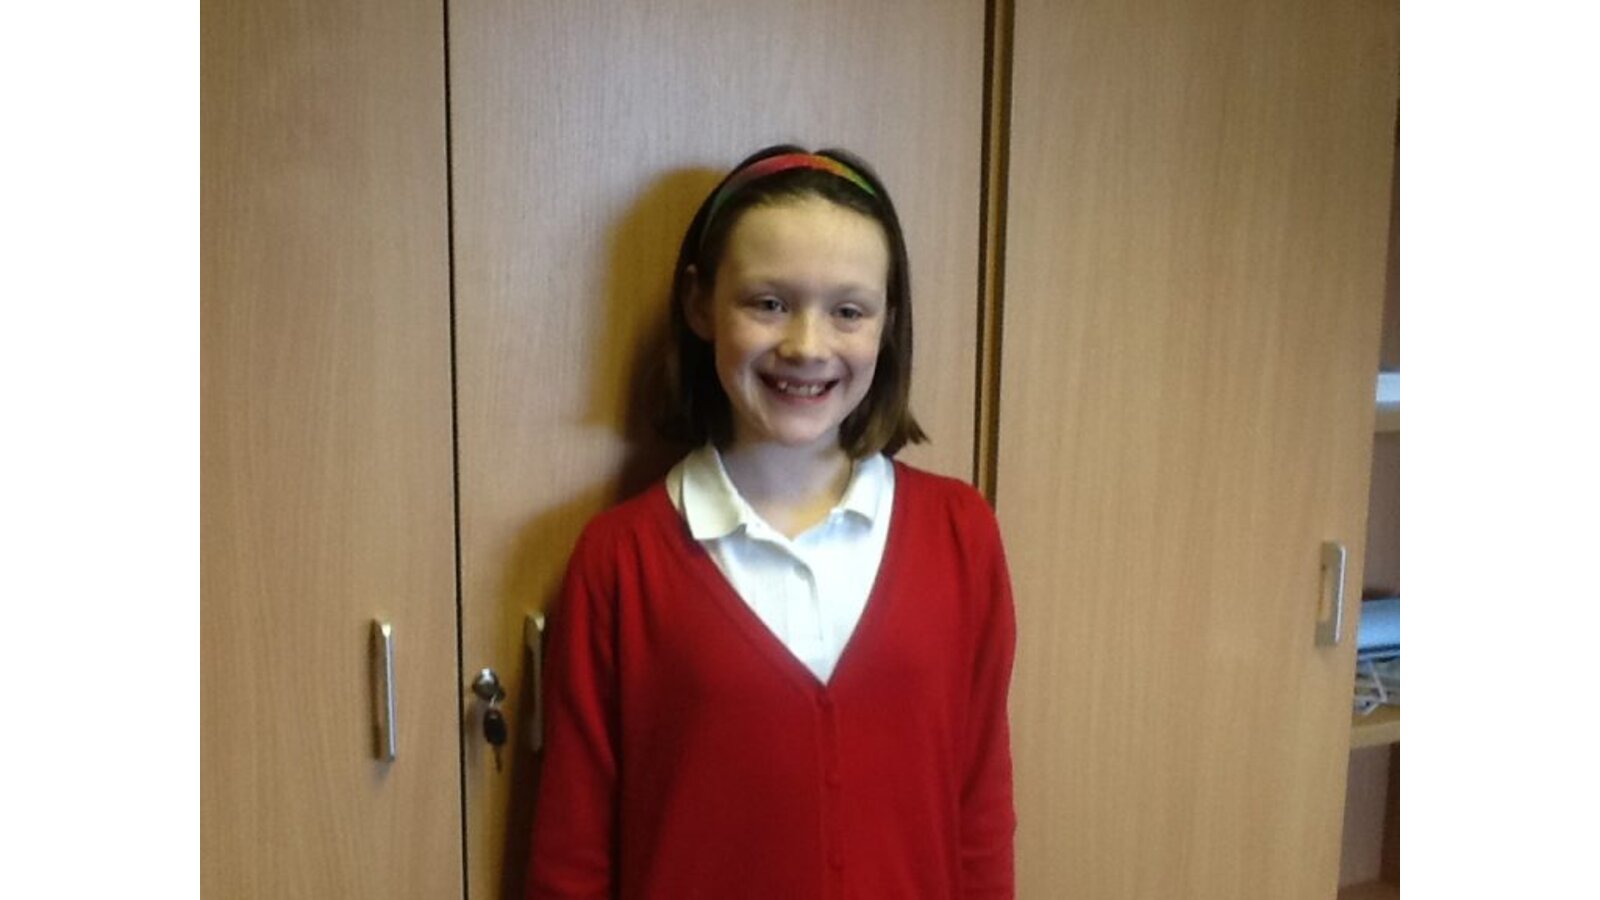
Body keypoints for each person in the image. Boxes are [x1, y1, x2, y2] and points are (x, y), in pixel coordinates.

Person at [528, 145, 1017, 899]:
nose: (806, 346)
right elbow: (574, 853)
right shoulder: (620, 558)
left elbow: (979, 818)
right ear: (700, 304)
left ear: (887, 324)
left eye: (848, 311)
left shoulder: (961, 534)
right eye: (769, 303)